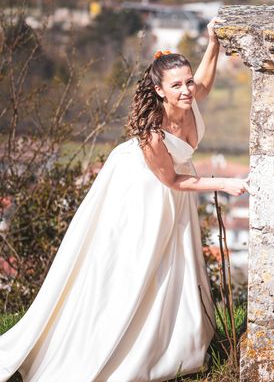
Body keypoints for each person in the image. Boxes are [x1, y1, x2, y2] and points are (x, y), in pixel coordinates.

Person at [0, 19, 250, 381]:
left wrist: (212, 43)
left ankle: (175, 340)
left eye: (187, 82)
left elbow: (206, 82)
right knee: (134, 264)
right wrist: (223, 183)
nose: (186, 90)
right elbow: (171, 180)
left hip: (174, 187)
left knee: (175, 263)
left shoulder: (192, 95)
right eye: (176, 85)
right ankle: (114, 342)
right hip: (141, 189)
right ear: (159, 90)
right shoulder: (152, 133)